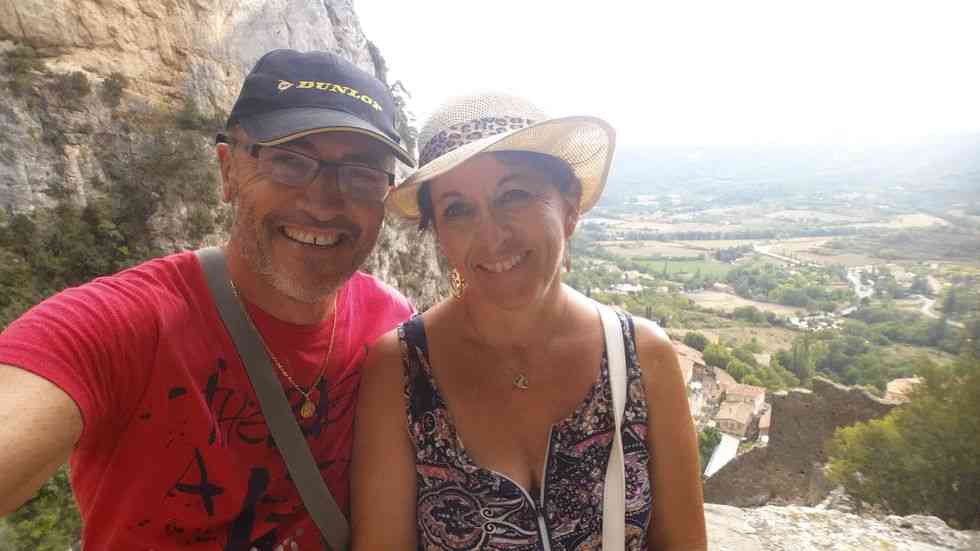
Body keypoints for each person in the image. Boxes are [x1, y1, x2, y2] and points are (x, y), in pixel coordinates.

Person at [0, 49, 415, 549]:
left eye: (362, 172)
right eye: (288, 160)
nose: (324, 202)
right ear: (228, 170)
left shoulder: (393, 327)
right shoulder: (124, 323)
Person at [351, 93, 707, 550]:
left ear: (570, 206)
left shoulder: (642, 358)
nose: (491, 236)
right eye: (457, 209)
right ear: (438, 232)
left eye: (514, 195)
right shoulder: (399, 370)